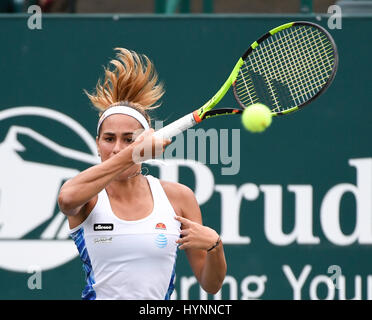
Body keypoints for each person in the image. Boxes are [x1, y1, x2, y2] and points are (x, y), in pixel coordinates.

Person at [58, 48, 227, 300]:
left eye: (129, 139)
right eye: (109, 139)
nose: (116, 148)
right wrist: (134, 152)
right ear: (97, 144)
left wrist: (216, 247)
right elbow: (66, 199)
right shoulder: (88, 197)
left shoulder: (179, 197)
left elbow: (210, 285)